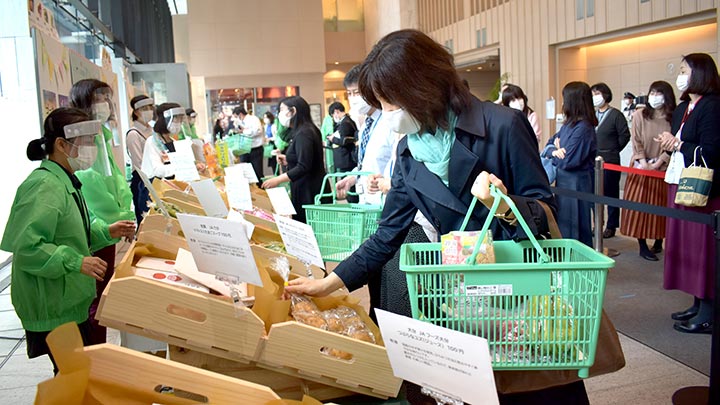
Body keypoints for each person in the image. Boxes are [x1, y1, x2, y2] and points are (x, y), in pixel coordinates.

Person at [285, 29, 591, 404]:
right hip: (466, 296)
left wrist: (506, 204)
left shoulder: (502, 125)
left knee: (534, 390)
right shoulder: (408, 152)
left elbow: (545, 210)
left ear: (421, 88)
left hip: (521, 292)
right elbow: (387, 236)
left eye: (390, 102)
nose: (387, 114)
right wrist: (330, 282)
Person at [1, 108, 135, 374]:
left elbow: (73, 230)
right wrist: (77, 261)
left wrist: (107, 231)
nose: (91, 149)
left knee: (75, 372)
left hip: (68, 297)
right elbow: (28, 248)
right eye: (86, 141)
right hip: (52, 302)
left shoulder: (65, 181)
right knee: (72, 375)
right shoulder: (43, 185)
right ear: (61, 144)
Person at [654, 53, 720, 334]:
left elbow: (713, 150)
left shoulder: (713, 107)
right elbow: (680, 143)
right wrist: (670, 144)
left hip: (703, 189)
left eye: (684, 70)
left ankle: (709, 310)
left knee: (704, 247)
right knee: (686, 245)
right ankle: (696, 301)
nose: (680, 76)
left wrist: (679, 145)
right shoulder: (683, 108)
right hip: (679, 181)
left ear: (701, 74)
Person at [69, 79, 136, 345]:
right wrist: (116, 216)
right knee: (94, 298)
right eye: (99, 98)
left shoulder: (103, 135)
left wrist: (124, 211)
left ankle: (96, 350)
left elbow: (115, 179)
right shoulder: (84, 139)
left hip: (108, 224)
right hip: (96, 226)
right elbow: (92, 185)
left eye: (108, 98)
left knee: (101, 293)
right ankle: (93, 353)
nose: (106, 104)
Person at [620, 81, 676, 261]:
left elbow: (673, 144)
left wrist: (659, 162)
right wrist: (644, 162)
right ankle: (642, 245)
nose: (654, 96)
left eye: (658, 93)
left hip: (663, 168)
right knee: (639, 208)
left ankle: (659, 240)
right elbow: (635, 140)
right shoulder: (639, 115)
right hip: (640, 166)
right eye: (652, 92)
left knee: (660, 207)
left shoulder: (673, 118)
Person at [543, 82, 598, 247]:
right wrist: (554, 150)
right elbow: (550, 143)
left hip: (577, 184)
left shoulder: (584, 129)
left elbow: (567, 161)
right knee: (565, 225)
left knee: (576, 227)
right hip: (564, 184)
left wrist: (556, 153)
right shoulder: (569, 125)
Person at [335, 64, 394, 206]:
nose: (353, 98)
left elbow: (395, 164)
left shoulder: (389, 122)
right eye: (349, 94)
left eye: (357, 92)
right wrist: (352, 178)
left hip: (384, 200)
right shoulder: (366, 124)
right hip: (366, 199)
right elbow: (365, 163)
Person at [261, 96, 328, 223]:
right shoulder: (304, 130)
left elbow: (304, 166)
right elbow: (307, 158)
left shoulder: (304, 133)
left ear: (293, 111)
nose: (279, 114)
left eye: (282, 110)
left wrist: (277, 180)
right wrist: (288, 160)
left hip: (309, 191)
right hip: (306, 186)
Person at [591, 82, 631, 238]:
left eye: (597, 94)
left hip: (610, 159)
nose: (595, 97)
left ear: (605, 95)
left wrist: (614, 149)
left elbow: (625, 136)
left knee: (611, 193)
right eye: (593, 94)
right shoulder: (592, 115)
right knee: (595, 193)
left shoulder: (616, 115)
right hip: (594, 159)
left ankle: (612, 225)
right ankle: (598, 223)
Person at [142, 103, 193, 180]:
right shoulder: (152, 142)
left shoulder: (174, 141)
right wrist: (181, 168)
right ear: (165, 120)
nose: (179, 123)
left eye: (180, 119)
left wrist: (194, 166)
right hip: (156, 187)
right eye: (176, 119)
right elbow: (157, 170)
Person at [126, 95, 155, 224]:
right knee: (144, 219)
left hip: (155, 177)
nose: (149, 111)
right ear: (136, 112)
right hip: (142, 179)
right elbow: (139, 162)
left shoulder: (152, 130)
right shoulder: (133, 134)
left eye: (150, 107)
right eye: (145, 108)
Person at [326, 101, 358, 174]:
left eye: (333, 115)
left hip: (346, 159)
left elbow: (344, 140)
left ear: (336, 111)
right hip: (346, 159)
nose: (334, 118)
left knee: (346, 181)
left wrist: (332, 139)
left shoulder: (345, 123)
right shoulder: (347, 121)